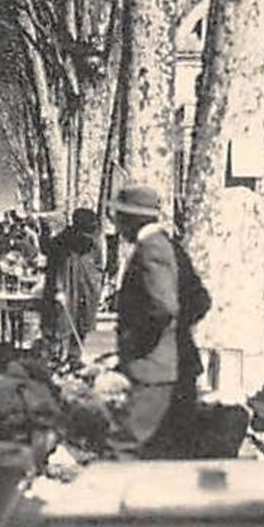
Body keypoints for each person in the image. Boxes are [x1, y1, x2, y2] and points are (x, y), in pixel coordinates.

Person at [104, 183, 211, 458]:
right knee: (169, 451)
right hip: (175, 366)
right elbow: (200, 301)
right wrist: (177, 335)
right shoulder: (169, 246)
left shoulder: (151, 250)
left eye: (119, 218)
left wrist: (137, 342)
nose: (117, 225)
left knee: (125, 447)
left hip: (155, 371)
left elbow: (163, 307)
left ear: (131, 219)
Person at [42, 208, 104, 364]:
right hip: (66, 289)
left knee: (83, 323)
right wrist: (58, 288)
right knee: (61, 324)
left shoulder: (93, 244)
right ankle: (56, 359)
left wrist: (97, 285)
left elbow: (98, 266)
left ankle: (74, 358)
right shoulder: (61, 242)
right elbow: (53, 268)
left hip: (87, 291)